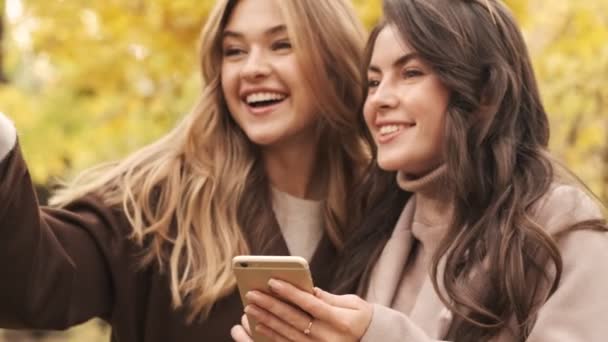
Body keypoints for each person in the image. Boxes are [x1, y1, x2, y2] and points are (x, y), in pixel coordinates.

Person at [231, 0, 608, 341]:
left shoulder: (562, 229)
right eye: (374, 81)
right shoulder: (378, 228)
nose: (379, 99)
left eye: (410, 73)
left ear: (484, 92)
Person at [0, 0, 370, 340]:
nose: (253, 68)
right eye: (234, 51)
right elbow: (35, 285)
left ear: (333, 56)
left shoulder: (385, 209)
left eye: (281, 45)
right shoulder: (158, 204)